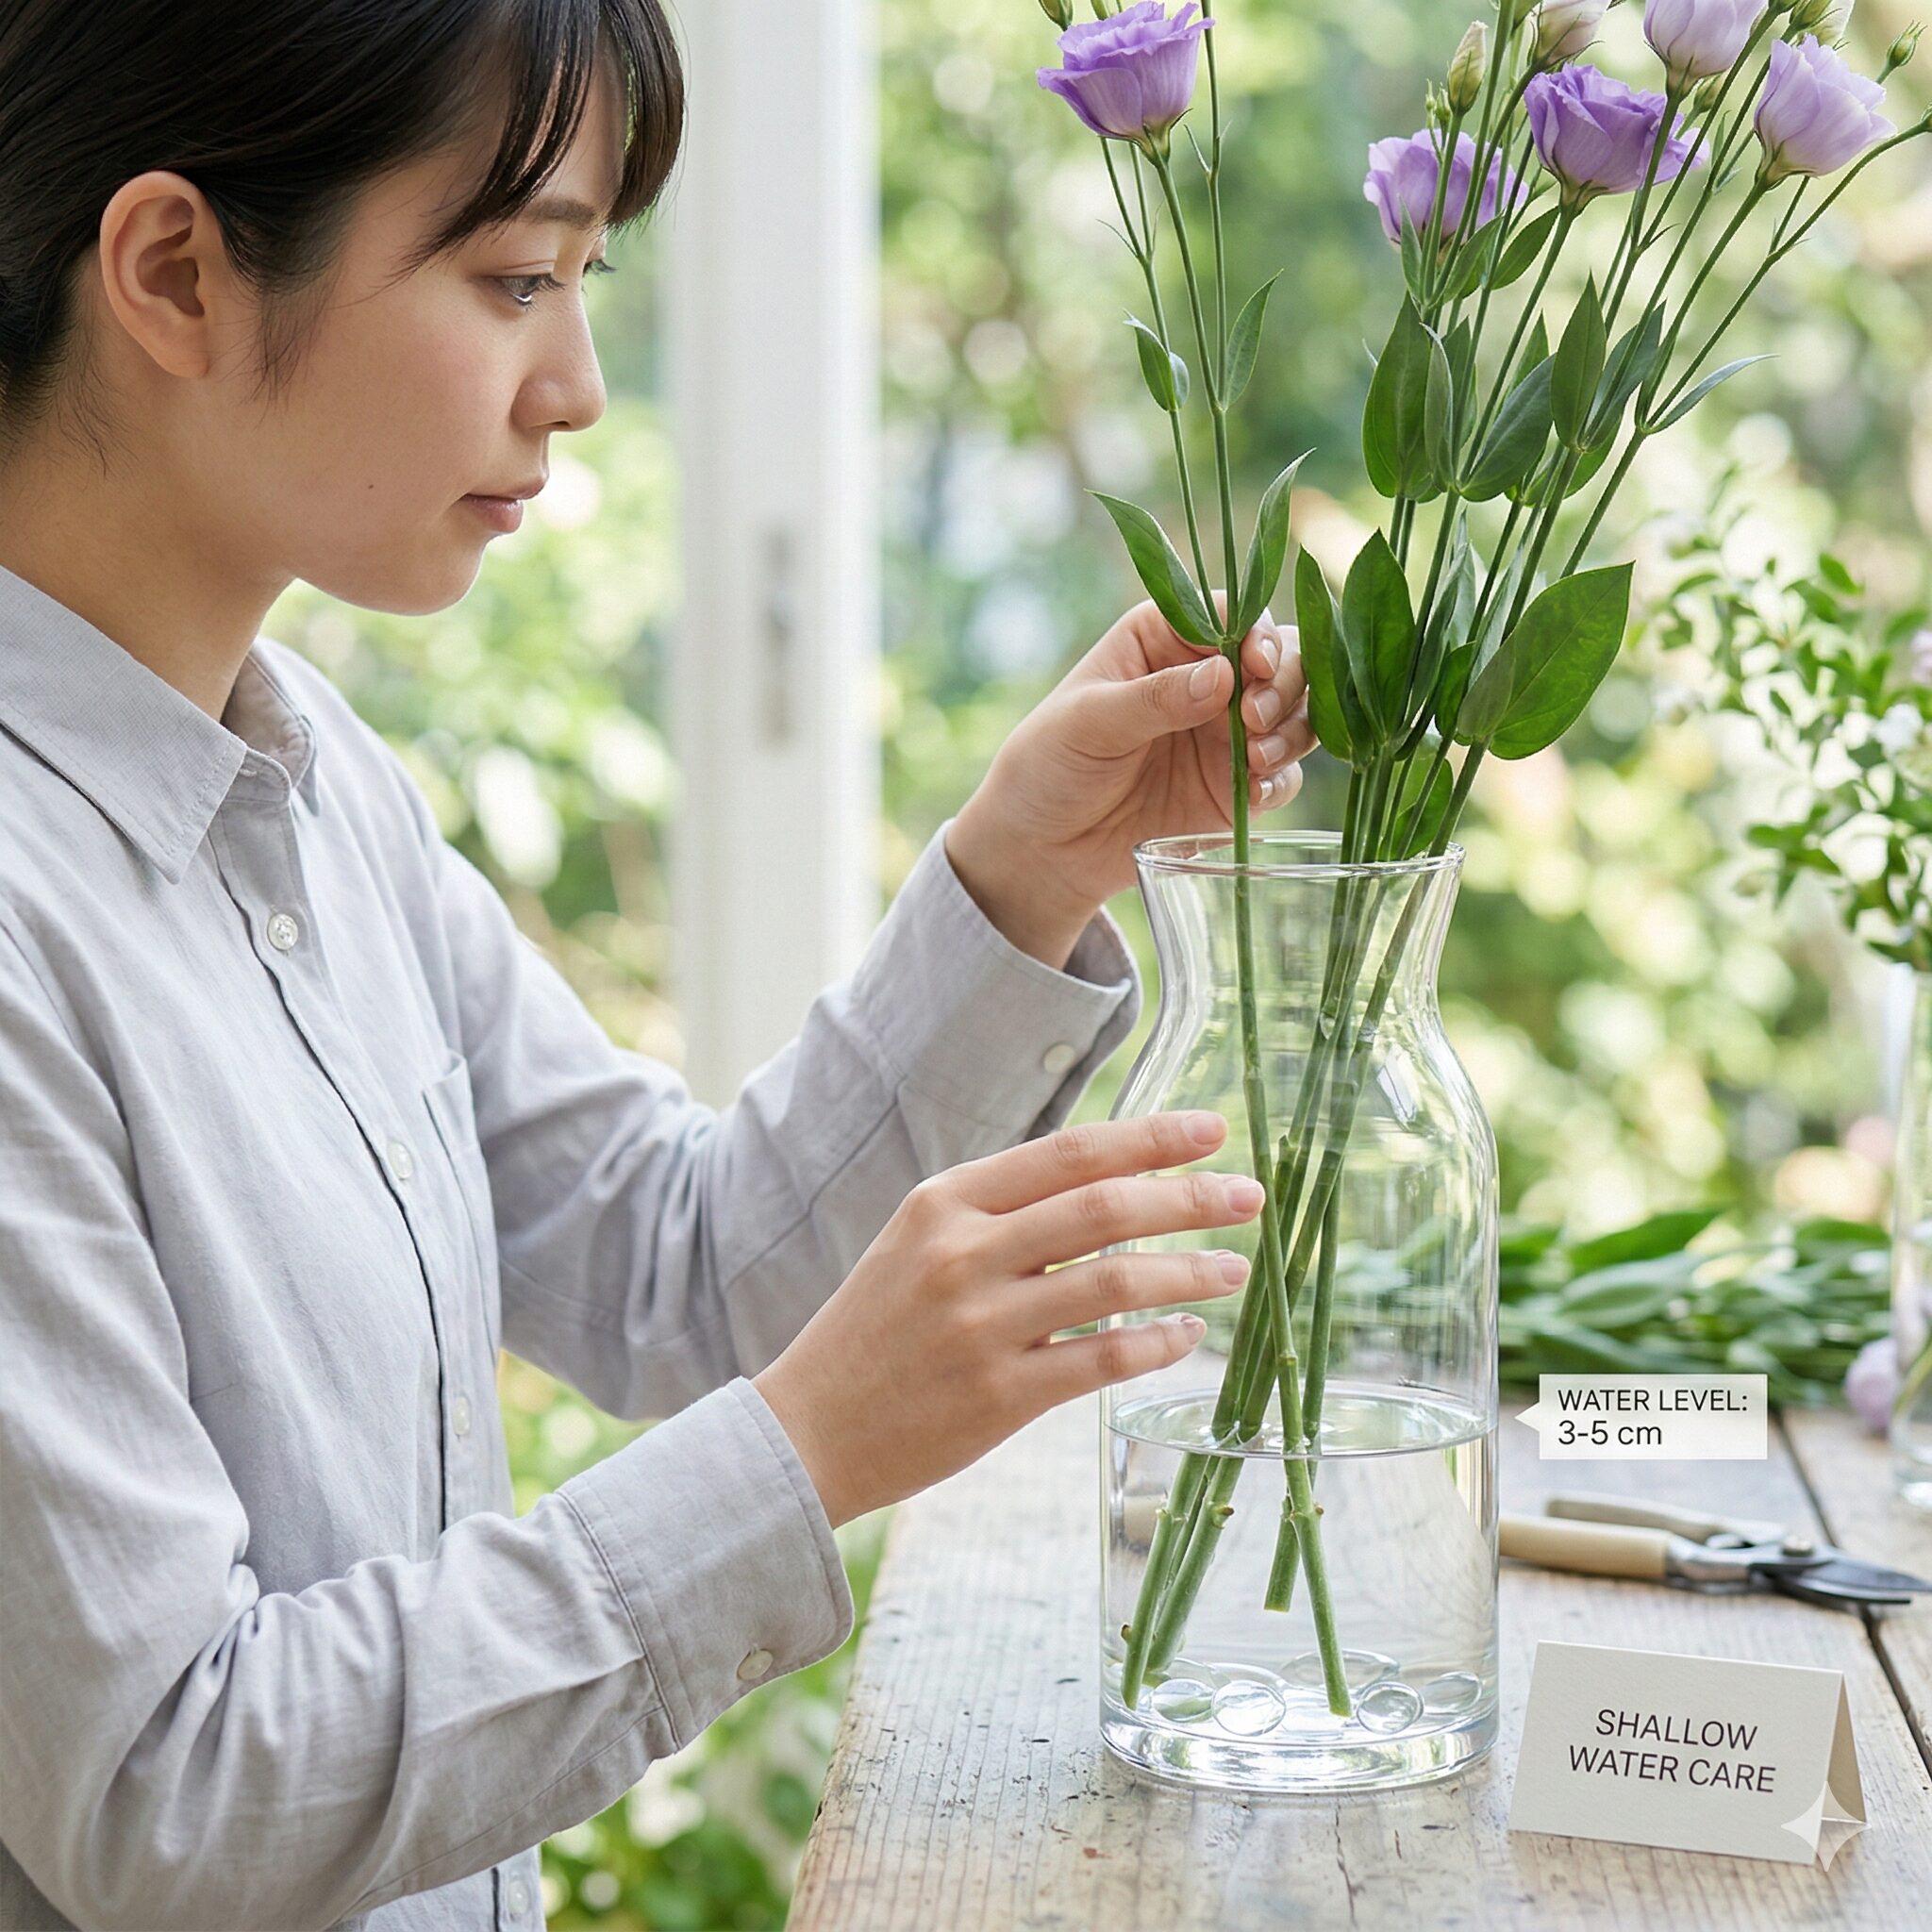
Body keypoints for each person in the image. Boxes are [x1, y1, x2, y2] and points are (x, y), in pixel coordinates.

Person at [0, 3, 1314, 1926]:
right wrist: (800, 1456)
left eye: (583, 280)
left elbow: (680, 1269)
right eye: (515, 278)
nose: (578, 388)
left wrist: (1025, 867)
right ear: (175, 274)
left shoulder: (313, 786)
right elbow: (165, 1792)